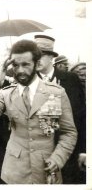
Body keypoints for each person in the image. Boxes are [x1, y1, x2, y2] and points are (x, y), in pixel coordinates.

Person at [0, 40, 77, 184]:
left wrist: (58, 158)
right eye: (16, 65)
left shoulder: (55, 93)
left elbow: (69, 132)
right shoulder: (7, 94)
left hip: (46, 171)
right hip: (14, 173)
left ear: (36, 64)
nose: (20, 70)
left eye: (26, 64)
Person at [34, 35, 85, 184]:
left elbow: (82, 117)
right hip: (40, 155)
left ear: (51, 57)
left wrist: (84, 150)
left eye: (41, 55)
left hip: (69, 152)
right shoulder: (27, 82)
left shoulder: (70, 79)